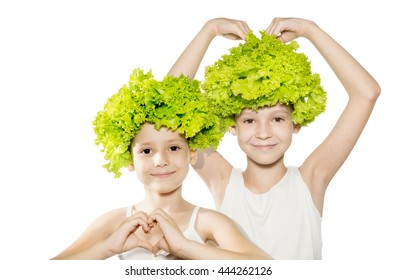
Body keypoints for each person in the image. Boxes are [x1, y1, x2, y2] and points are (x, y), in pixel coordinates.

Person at [168, 17, 381, 259]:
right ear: (232, 124)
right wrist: (208, 30)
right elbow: (169, 107)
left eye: (278, 119)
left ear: (296, 122)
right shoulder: (222, 180)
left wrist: (310, 30)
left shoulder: (312, 179)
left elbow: (367, 93)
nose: (263, 132)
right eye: (249, 120)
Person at [50, 68, 272, 260]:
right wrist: (106, 248)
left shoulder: (208, 223)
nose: (161, 160)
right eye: (146, 151)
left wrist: (185, 247)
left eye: (174, 148)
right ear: (129, 160)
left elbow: (268, 266)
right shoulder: (114, 221)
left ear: (192, 153)